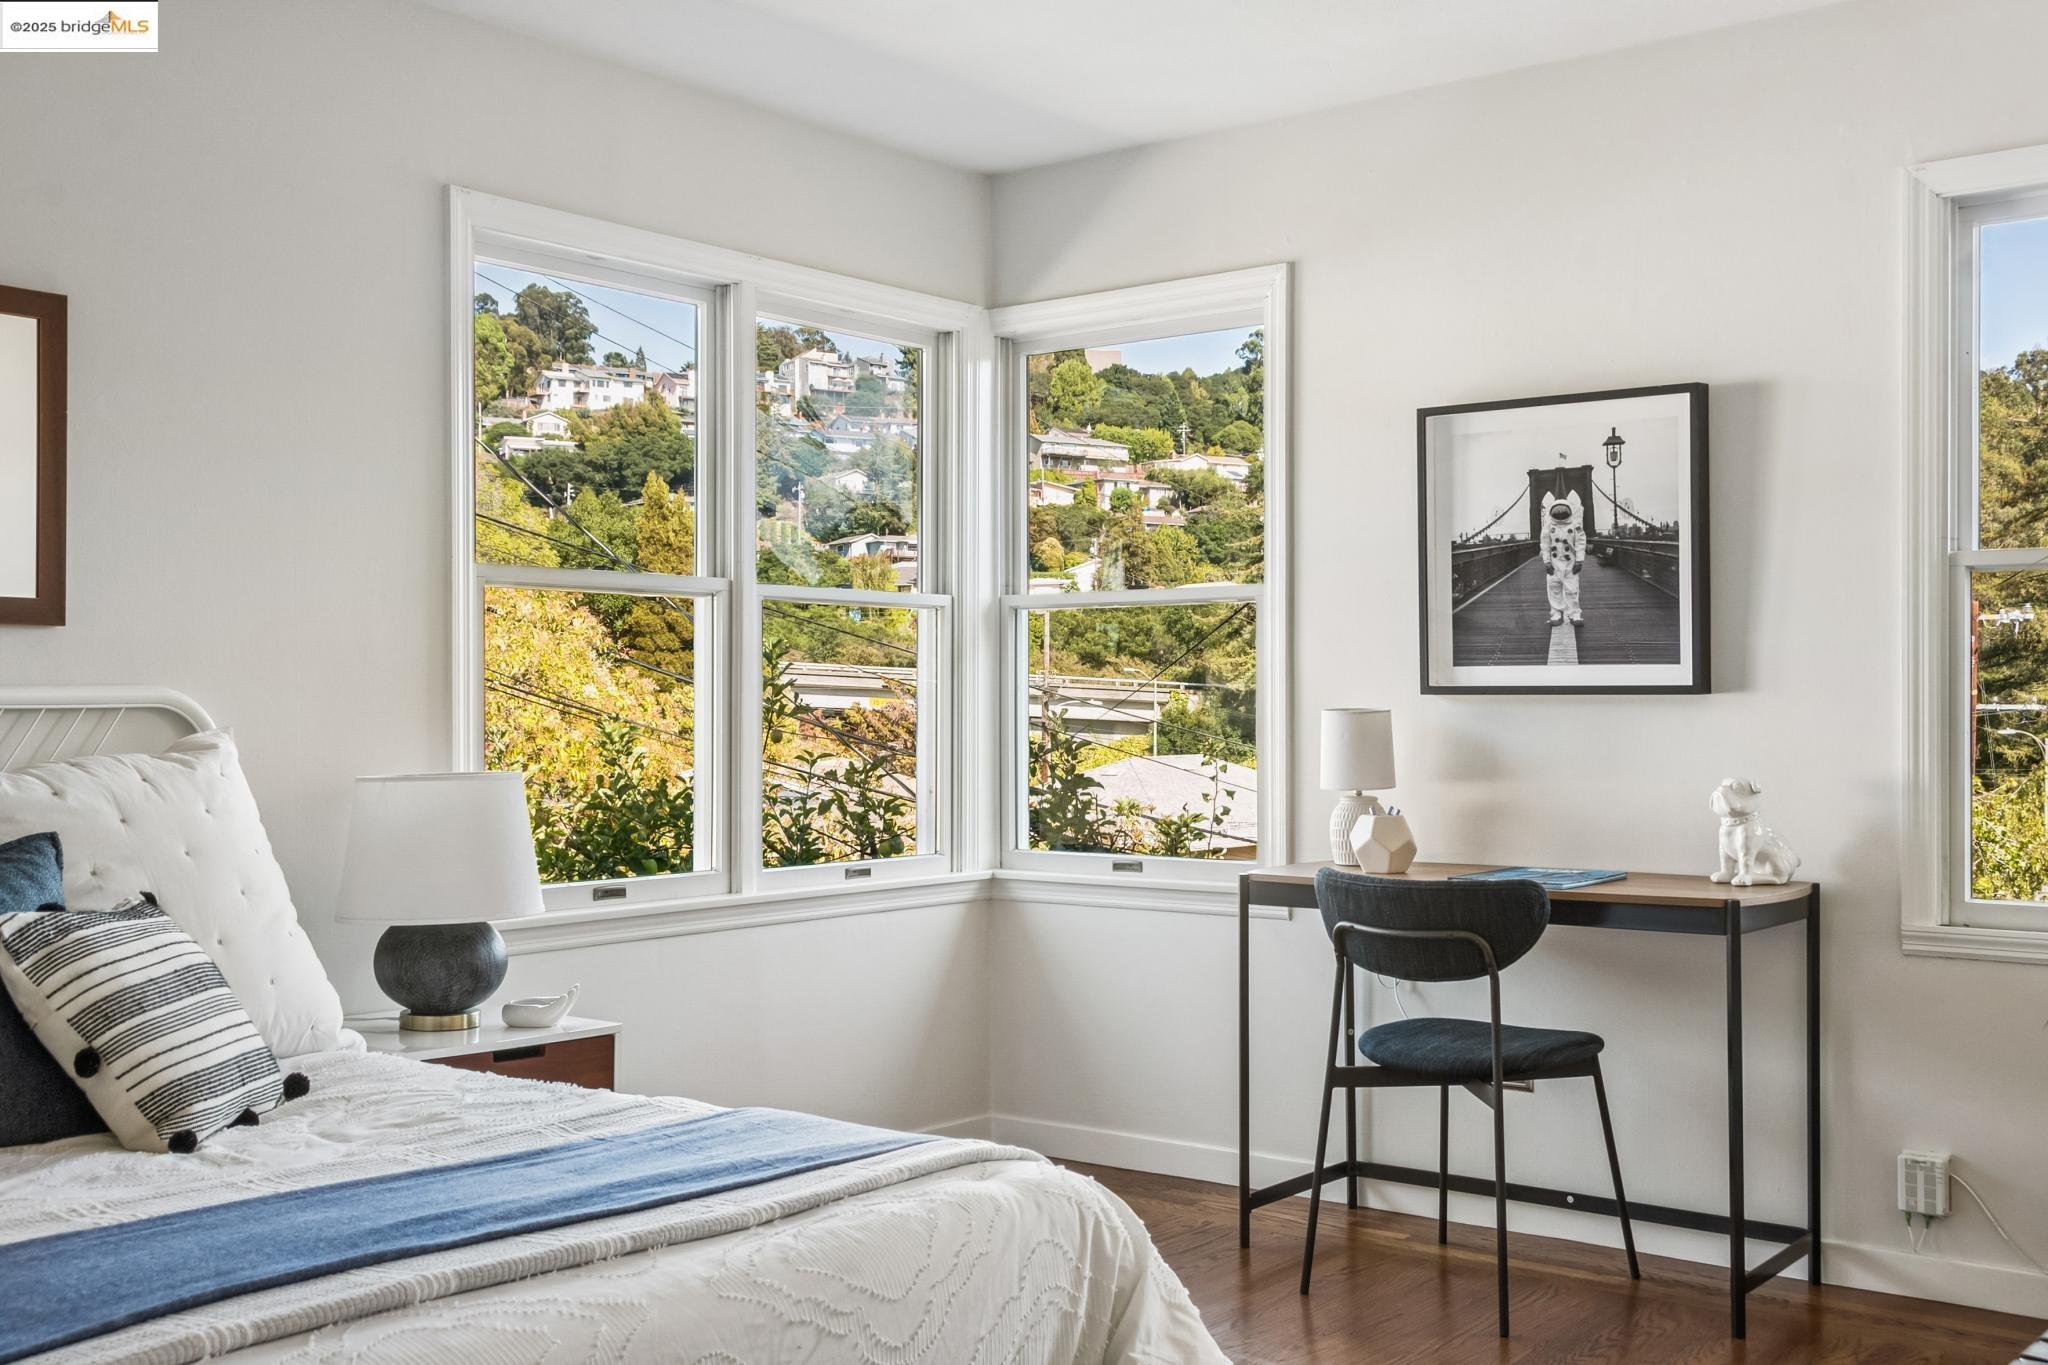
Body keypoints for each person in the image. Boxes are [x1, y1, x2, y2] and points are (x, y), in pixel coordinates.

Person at [1540, 492, 1585, 626]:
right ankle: (1556, 614)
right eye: (1557, 511)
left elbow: (1580, 543)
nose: (1560, 514)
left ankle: (1574, 614)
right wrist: (1547, 562)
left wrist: (1579, 561)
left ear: (1569, 511)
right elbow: (1545, 545)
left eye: (1563, 511)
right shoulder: (1548, 527)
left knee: (1572, 589)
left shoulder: (1575, 526)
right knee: (1554, 588)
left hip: (1570, 562)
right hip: (1554, 563)